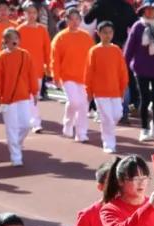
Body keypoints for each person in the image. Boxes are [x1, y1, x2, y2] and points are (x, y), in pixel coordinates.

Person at [124, 0, 154, 141]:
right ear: (143, 11)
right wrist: (123, 66)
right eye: (147, 9)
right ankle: (144, 128)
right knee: (144, 99)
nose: (150, 11)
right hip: (141, 68)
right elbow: (129, 48)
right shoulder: (138, 26)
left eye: (153, 9)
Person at [0, 28, 39, 167]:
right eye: (10, 39)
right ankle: (16, 157)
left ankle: (16, 143)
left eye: (15, 38)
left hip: (23, 96)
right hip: (7, 100)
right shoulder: (0, 57)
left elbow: (31, 74)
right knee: (11, 128)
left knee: (26, 125)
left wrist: (35, 91)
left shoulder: (25, 55)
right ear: (5, 41)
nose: (13, 41)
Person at [51, 7, 94, 143]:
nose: (75, 22)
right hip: (67, 76)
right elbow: (55, 59)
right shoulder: (60, 37)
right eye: (71, 19)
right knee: (74, 102)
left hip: (83, 77)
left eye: (77, 19)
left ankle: (81, 133)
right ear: (66, 20)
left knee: (83, 105)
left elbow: (92, 58)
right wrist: (55, 77)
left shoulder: (86, 37)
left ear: (80, 20)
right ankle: (68, 123)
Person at [85, 21, 128, 154]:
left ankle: (106, 126)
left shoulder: (116, 50)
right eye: (104, 32)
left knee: (117, 114)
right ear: (98, 33)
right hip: (100, 92)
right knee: (108, 118)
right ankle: (109, 143)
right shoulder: (94, 51)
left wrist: (123, 88)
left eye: (110, 32)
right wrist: (89, 91)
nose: (107, 35)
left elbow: (122, 71)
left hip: (115, 91)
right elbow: (89, 72)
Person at [17, 2, 50, 134]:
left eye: (34, 13)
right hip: (23, 69)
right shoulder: (19, 30)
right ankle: (33, 122)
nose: (31, 15)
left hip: (38, 69)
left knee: (34, 96)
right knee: (26, 97)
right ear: (24, 14)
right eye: (29, 12)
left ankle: (33, 121)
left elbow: (47, 49)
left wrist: (48, 65)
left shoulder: (42, 30)